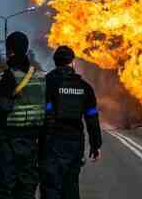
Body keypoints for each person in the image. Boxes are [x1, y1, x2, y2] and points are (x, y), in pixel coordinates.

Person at [0, 31, 47, 199]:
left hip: (10, 143)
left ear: (10, 51)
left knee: (0, 190)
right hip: (32, 144)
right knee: (26, 190)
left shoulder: (9, 76)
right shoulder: (41, 77)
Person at [41, 46, 102, 199]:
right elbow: (92, 118)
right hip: (75, 143)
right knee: (71, 185)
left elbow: (41, 113)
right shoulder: (84, 87)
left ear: (55, 62)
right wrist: (96, 145)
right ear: (72, 63)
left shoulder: (45, 83)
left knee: (51, 187)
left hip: (51, 142)